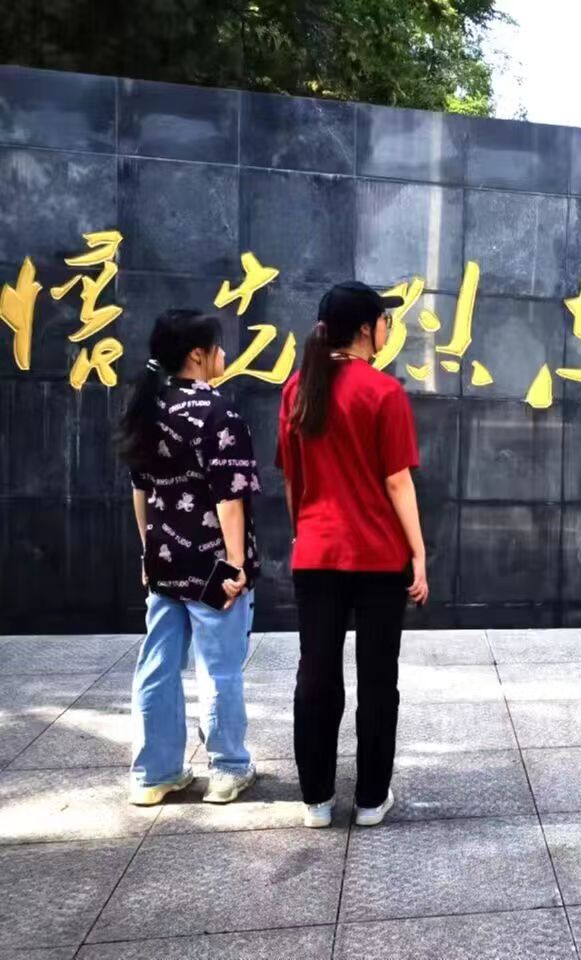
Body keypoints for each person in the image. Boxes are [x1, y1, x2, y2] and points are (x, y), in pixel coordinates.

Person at [277, 281, 429, 829]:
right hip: (379, 558)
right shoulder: (383, 392)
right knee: (377, 678)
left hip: (317, 554)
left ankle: (316, 799)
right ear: (367, 328)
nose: (388, 330)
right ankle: (370, 798)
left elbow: (293, 482)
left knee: (316, 674)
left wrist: (304, 533)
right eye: (386, 321)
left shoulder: (298, 389)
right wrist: (419, 555)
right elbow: (398, 482)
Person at [115, 309, 259, 806]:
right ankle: (227, 770)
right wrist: (236, 564)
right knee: (219, 668)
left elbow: (140, 491)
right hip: (213, 566)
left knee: (157, 665)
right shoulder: (218, 413)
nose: (224, 355)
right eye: (218, 347)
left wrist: (147, 550)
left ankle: (154, 774)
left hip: (164, 560)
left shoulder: (146, 409)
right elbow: (229, 499)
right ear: (198, 355)